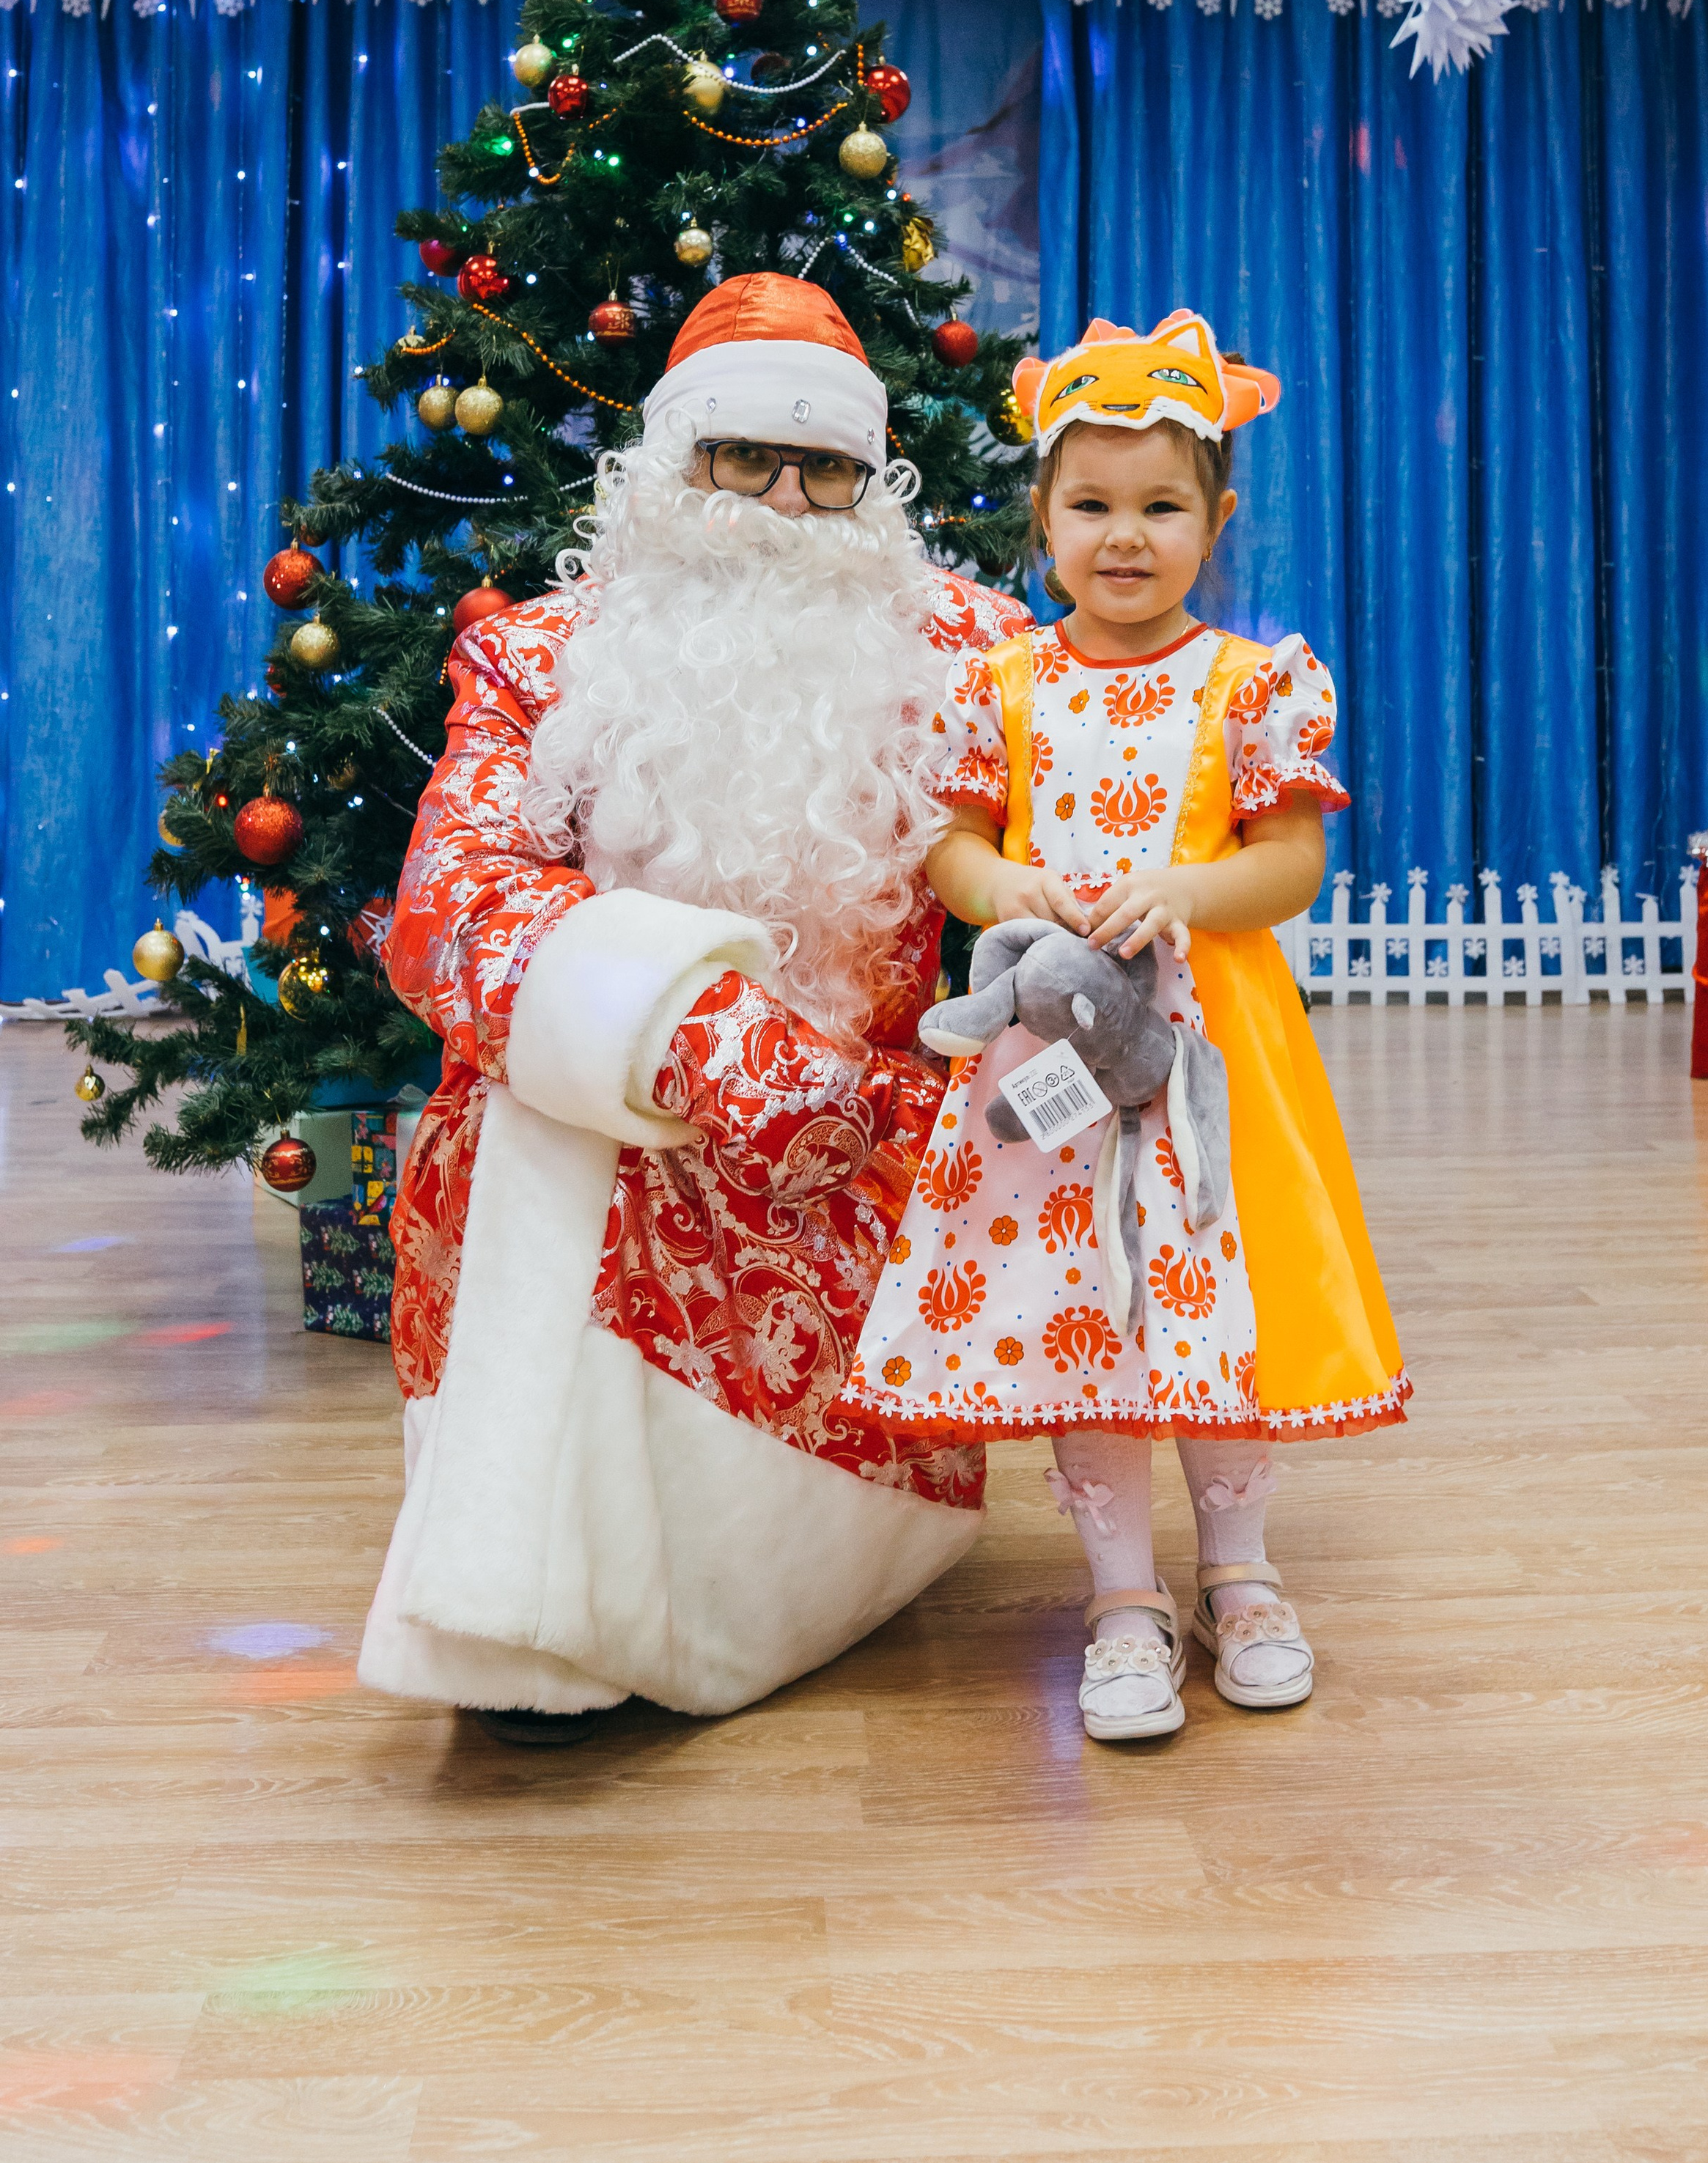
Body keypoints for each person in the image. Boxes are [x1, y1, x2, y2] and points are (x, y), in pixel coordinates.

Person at [358, 274, 1028, 1740]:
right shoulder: (540, 659)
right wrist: (696, 1036)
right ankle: (529, 1605)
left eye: (826, 465)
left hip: (851, 1164)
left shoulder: (977, 656)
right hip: (626, 1124)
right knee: (532, 1110)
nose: (782, 502)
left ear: (873, 482)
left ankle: (707, 1585)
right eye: (742, 457)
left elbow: (1096, 852)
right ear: (672, 469)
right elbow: (444, 909)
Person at [836, 309, 1405, 1742]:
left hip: (1207, 1055)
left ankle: (1240, 1572)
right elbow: (952, 848)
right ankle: (1117, 1599)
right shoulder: (1003, 684)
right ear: (1040, 518)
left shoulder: (1250, 684)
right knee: (1089, 1314)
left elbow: (1290, 864)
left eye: (1160, 506)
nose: (1124, 537)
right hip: (1050, 1062)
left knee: (1206, 1307)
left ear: (1215, 519)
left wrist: (1190, 885)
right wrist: (997, 881)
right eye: (1090, 505)